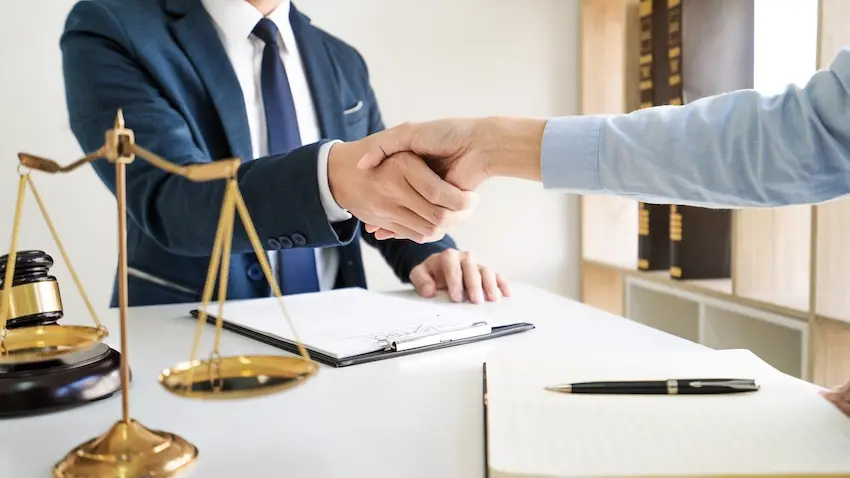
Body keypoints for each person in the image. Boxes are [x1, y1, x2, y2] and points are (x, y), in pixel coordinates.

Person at [351, 48, 850, 415]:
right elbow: (806, 134)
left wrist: (489, 150)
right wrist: (491, 146)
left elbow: (805, 137)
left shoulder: (342, 62)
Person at [60, 0, 509, 307]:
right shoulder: (110, 28)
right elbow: (170, 199)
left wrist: (427, 254)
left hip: (341, 343)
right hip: (188, 356)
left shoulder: (341, 59)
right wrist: (330, 179)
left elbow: (380, 183)